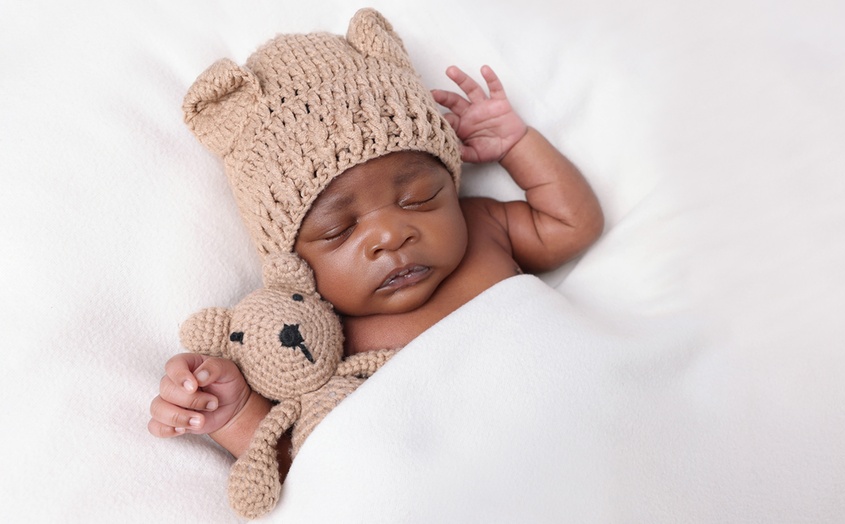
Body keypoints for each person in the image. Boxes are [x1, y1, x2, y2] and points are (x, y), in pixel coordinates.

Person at [148, 8, 603, 480]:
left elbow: (574, 225)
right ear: (294, 264)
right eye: (338, 230)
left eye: (418, 198)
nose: (390, 235)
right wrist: (235, 412)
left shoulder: (484, 226)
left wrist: (517, 145)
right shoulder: (317, 337)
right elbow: (311, 462)